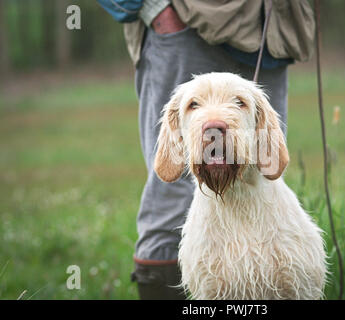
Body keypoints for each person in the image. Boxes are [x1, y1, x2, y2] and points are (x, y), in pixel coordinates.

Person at [123, 0, 316, 299]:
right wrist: (156, 9)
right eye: (194, 106)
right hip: (184, 25)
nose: (215, 122)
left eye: (237, 104)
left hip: (271, 26)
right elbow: (168, 173)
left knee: (264, 172)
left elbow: (272, 164)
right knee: (169, 201)